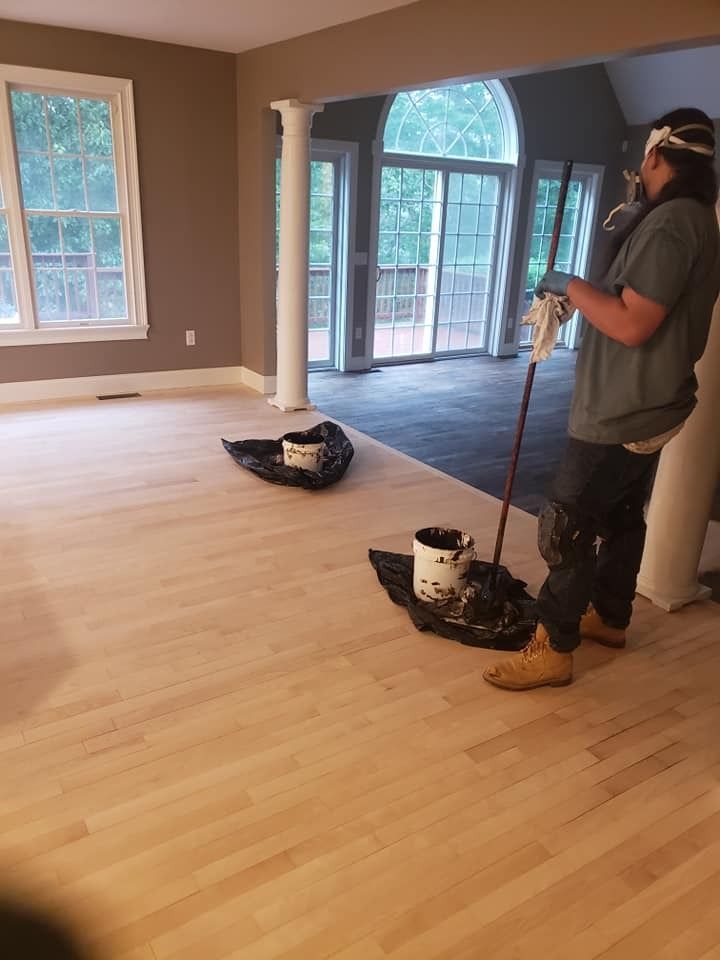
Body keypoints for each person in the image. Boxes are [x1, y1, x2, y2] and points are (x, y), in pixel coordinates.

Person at [484, 108, 720, 691]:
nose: (641, 166)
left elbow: (634, 322)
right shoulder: (695, 219)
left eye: (645, 156)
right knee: (618, 517)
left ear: (658, 156)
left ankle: (554, 646)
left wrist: (567, 284)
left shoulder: (671, 226)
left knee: (564, 524)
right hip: (652, 402)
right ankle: (610, 617)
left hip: (620, 408)